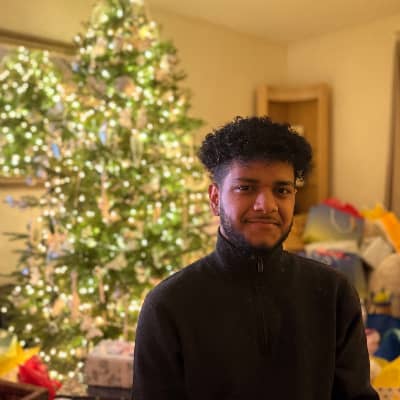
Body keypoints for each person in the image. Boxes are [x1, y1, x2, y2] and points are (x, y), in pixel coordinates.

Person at [132, 116, 378, 399]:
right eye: (246, 188)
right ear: (215, 199)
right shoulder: (168, 305)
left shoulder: (334, 295)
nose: (267, 205)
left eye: (281, 190)